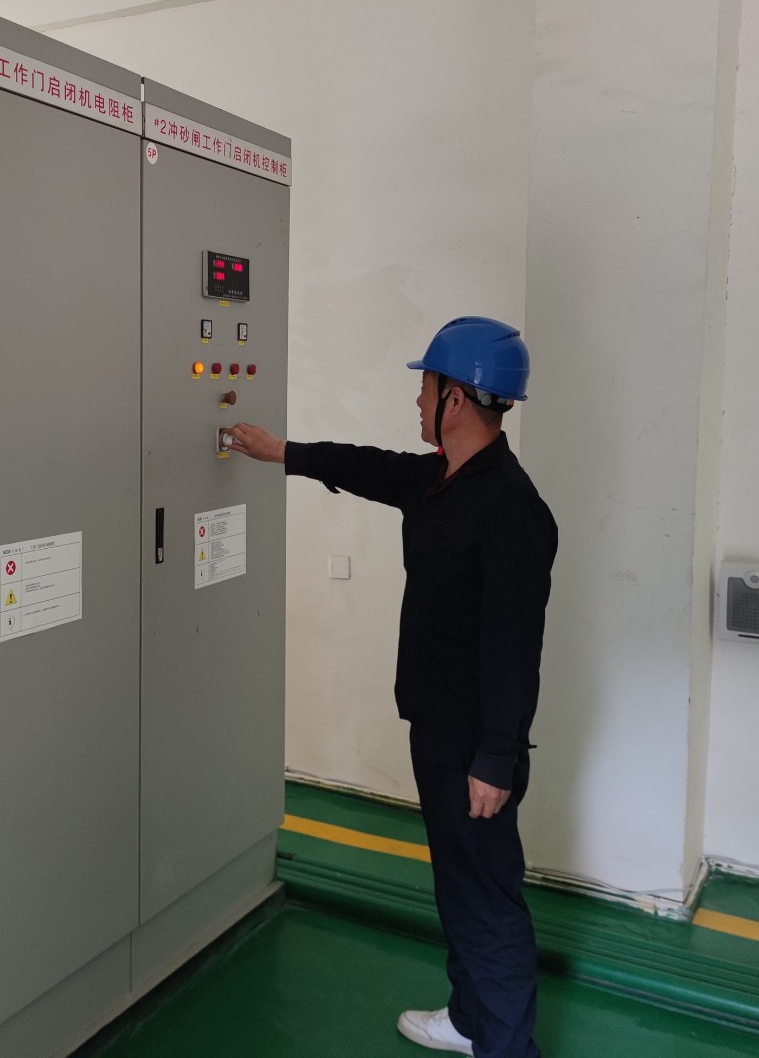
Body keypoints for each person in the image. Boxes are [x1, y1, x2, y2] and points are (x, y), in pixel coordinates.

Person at [226, 316, 557, 1058]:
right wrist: (282, 453)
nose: (416, 400)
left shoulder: (510, 508)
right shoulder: (443, 479)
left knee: (485, 894)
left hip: (474, 743)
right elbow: (369, 467)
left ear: (456, 399)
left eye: (425, 387)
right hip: (438, 724)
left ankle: (507, 1046)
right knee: (459, 882)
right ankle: (472, 1020)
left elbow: (514, 651)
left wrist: (495, 759)